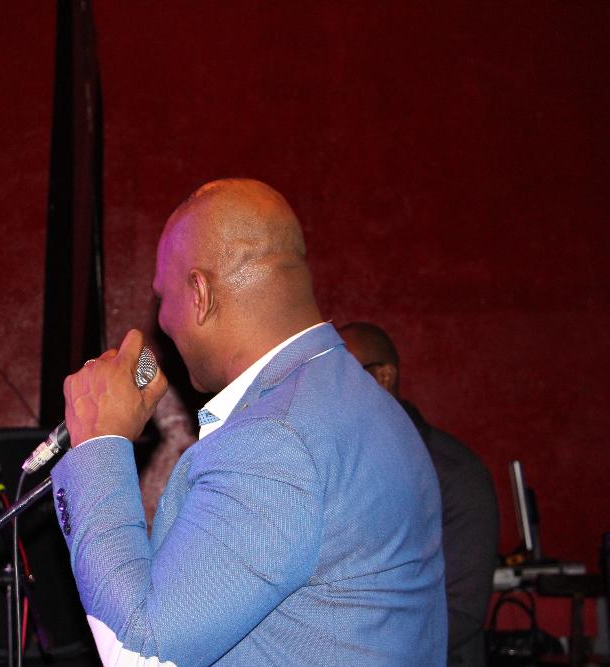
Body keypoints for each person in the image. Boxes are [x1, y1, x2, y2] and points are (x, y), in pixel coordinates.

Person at [50, 179, 446, 665]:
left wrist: (98, 443)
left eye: (162, 298)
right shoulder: (363, 402)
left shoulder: (275, 438)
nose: (163, 321)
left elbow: (141, 655)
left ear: (200, 293)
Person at [338, 321, 499, 667]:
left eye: (343, 374)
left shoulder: (453, 471)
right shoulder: (340, 462)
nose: (330, 390)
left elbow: (462, 609)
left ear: (384, 376)